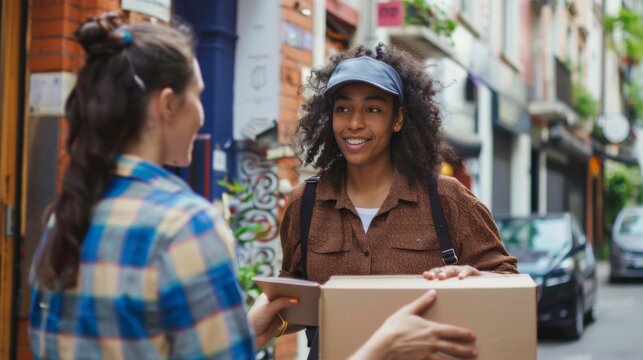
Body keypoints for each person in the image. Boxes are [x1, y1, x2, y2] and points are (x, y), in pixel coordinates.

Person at [28, 14, 476, 360]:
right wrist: (383, 346)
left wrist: (252, 328)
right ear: (167, 105)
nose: (202, 115)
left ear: (399, 118)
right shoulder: (186, 226)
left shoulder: (62, 219)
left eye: (373, 109)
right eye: (198, 96)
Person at [279, 44, 518, 355]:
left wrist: (478, 278)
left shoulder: (448, 199)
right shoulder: (305, 203)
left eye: (373, 109)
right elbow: (289, 303)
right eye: (344, 109)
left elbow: (512, 286)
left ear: (398, 119)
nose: (354, 123)